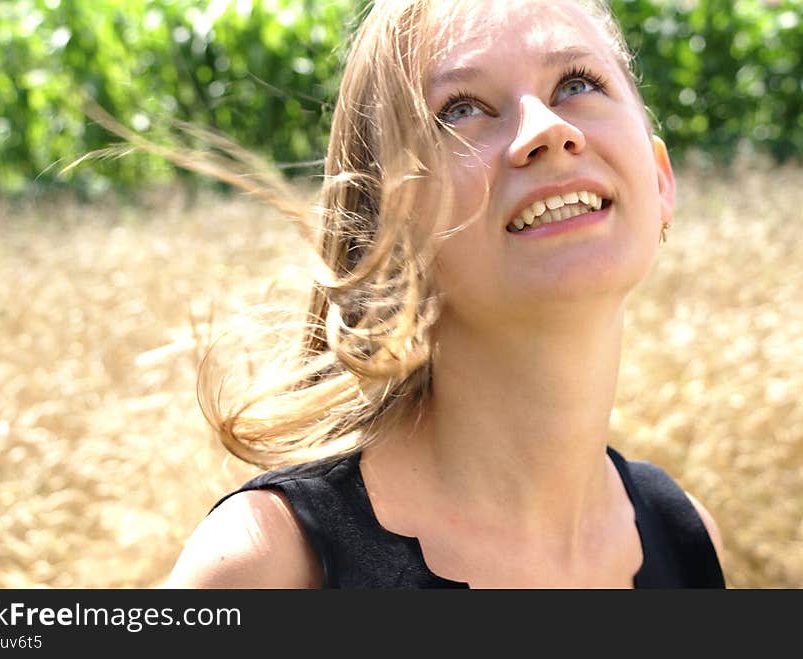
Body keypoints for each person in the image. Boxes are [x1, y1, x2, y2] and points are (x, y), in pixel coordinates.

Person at [162, 0, 726, 588]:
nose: (547, 130)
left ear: (660, 178)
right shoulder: (269, 562)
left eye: (577, 83)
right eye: (461, 110)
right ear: (386, 225)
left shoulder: (685, 539)